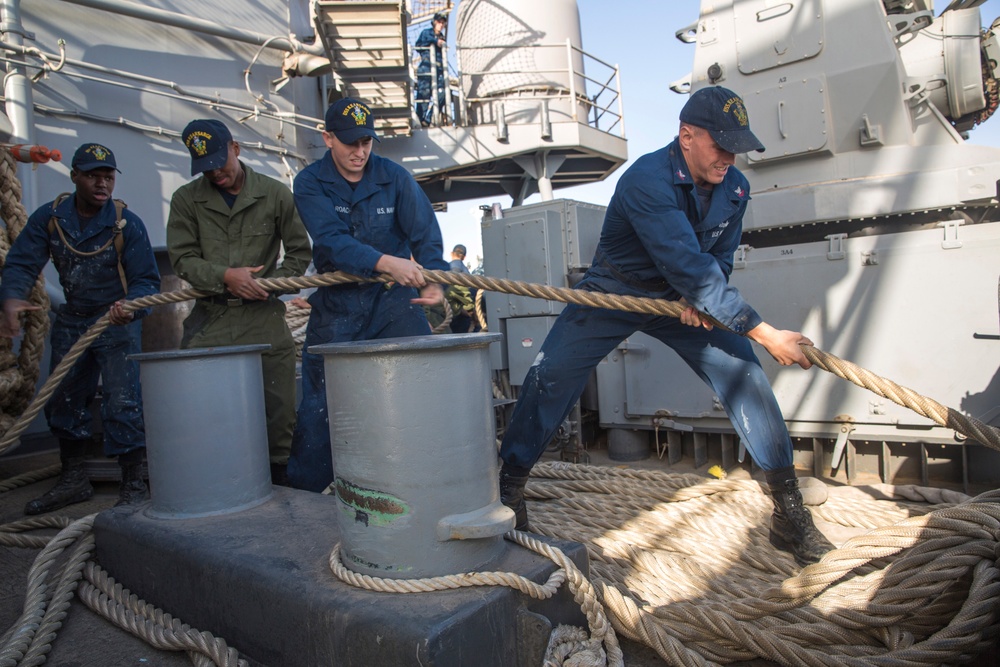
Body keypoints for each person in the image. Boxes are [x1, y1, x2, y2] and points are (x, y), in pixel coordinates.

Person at [497, 86, 833, 566]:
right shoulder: (646, 181)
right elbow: (687, 264)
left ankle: (788, 511)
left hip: (681, 298)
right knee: (549, 375)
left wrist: (700, 299)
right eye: (720, 145)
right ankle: (509, 488)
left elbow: (715, 260)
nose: (728, 158)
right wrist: (765, 332)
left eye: (736, 148)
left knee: (745, 376)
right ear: (686, 136)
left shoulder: (735, 187)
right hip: (615, 290)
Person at [287, 97, 449, 492]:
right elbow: (331, 240)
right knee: (320, 409)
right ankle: (305, 504)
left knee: (419, 391)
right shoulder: (308, 183)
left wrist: (434, 278)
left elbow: (424, 232)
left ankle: (429, 487)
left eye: (366, 142)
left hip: (394, 304)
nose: (359, 152)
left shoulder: (395, 177)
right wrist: (389, 262)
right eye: (349, 143)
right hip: (337, 306)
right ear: (327, 139)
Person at [0, 142, 160, 513]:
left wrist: (130, 308)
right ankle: (73, 479)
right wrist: (10, 300)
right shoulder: (51, 218)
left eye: (107, 177)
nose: (102, 184)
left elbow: (147, 282)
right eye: (92, 176)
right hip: (72, 320)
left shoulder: (126, 224)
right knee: (64, 399)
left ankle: (132, 484)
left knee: (123, 403)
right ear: (74, 177)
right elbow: (22, 262)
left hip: (116, 322)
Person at [166, 119, 312, 486]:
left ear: (235, 148)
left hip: (265, 319)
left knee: (279, 416)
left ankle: (281, 489)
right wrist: (226, 277)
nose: (216, 173)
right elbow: (183, 258)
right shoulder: (187, 199)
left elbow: (299, 253)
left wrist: (269, 285)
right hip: (210, 322)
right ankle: (219, 486)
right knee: (207, 414)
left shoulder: (275, 194)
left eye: (220, 162)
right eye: (206, 168)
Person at [415, 12, 448, 127]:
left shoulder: (442, 37)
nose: (441, 25)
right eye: (439, 22)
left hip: (438, 69)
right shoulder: (426, 33)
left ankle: (428, 119)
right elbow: (419, 44)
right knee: (424, 93)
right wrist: (435, 42)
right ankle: (420, 120)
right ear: (434, 22)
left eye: (443, 23)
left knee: (443, 93)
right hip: (426, 67)